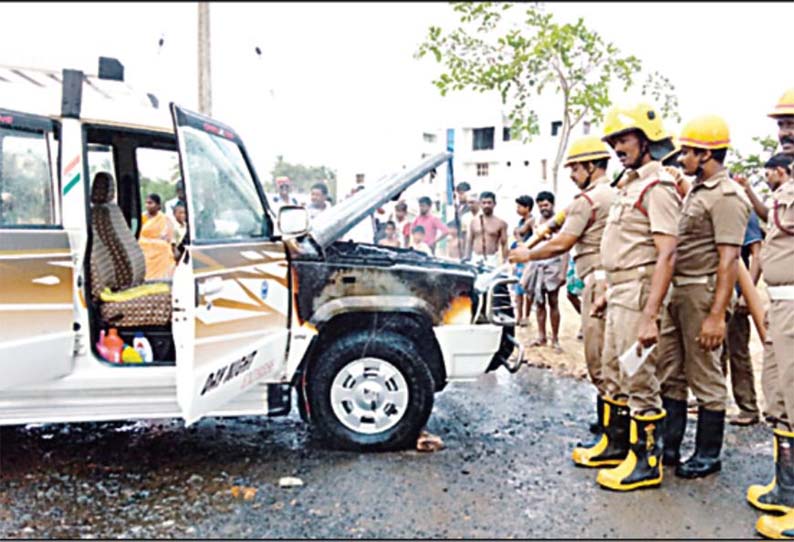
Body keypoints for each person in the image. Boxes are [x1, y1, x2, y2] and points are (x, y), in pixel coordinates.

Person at [655, 115, 751, 481]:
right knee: (671, 371)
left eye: (688, 153)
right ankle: (670, 445)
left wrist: (716, 316)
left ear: (706, 154)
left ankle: (708, 454)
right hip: (681, 291)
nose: (682, 159)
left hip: (703, 291)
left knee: (705, 374)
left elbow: (729, 260)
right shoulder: (698, 191)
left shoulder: (727, 197)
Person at [510, 134, 616, 458]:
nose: (571, 174)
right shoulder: (610, 193)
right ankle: (609, 429)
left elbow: (563, 241)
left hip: (598, 282)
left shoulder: (589, 201)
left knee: (600, 361)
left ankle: (612, 439)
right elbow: (557, 224)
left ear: (590, 166)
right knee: (610, 359)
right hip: (610, 281)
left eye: (575, 168)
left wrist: (526, 255)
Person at [593, 103, 680, 491]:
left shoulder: (657, 187)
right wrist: (608, 291)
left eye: (624, 139)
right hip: (621, 289)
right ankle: (620, 448)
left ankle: (648, 464)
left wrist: (650, 315)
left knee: (638, 375)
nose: (617, 148)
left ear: (646, 141)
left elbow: (667, 253)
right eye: (613, 142)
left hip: (640, 291)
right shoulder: (628, 185)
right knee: (615, 368)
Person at [741, 88, 794, 539]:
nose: (786, 131)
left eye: (793, 123)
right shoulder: (788, 185)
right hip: (780, 303)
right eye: (782, 124)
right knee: (780, 397)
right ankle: (787, 490)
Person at [721, 206, 764, 427]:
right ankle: (714, 400)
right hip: (715, 291)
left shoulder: (741, 208)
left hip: (736, 290)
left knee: (737, 352)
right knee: (713, 351)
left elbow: (757, 252)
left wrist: (749, 293)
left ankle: (748, 406)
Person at [520, 191, 566, 352]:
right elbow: (528, 240)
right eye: (540, 206)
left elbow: (565, 248)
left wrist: (563, 272)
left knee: (553, 302)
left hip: (554, 264)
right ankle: (541, 337)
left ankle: (555, 338)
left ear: (552, 204)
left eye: (546, 205)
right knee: (539, 302)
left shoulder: (560, 222)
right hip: (537, 263)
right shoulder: (535, 221)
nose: (543, 209)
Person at [465, 191, 508, 267]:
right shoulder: (474, 222)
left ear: (494, 204)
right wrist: (467, 258)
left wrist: (505, 261)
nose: (486, 205)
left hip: (492, 259)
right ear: (480, 204)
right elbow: (469, 241)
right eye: (484, 203)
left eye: (489, 203)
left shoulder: (501, 223)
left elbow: (504, 244)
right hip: (476, 258)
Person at [139, 193, 175, 280]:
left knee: (165, 248)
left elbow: (168, 238)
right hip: (142, 246)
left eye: (151, 203)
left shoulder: (164, 219)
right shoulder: (142, 217)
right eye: (147, 203)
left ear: (158, 205)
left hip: (159, 250)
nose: (148, 205)